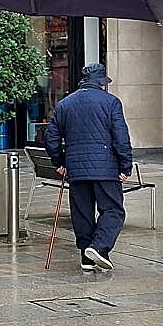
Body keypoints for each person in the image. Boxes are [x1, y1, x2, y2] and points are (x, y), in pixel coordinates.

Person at [44, 63, 133, 271]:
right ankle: (99, 247)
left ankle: (86, 257)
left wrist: (59, 162)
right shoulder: (111, 102)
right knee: (113, 209)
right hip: (106, 168)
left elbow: (51, 138)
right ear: (102, 83)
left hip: (76, 170)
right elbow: (121, 138)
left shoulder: (65, 104)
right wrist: (125, 166)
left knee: (82, 212)